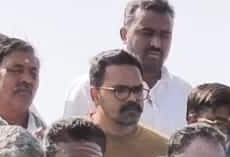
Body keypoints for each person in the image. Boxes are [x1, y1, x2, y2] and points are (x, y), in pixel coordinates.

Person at [61, 0, 191, 136]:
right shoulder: (88, 87)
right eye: (147, 33)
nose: (156, 43)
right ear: (124, 34)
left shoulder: (184, 93)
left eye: (164, 35)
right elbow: (68, 143)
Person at [82, 49, 167, 157]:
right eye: (120, 91)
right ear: (95, 95)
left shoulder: (163, 151)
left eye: (137, 90)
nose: (132, 98)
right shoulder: (71, 143)